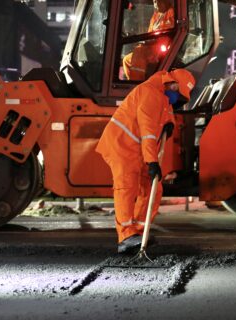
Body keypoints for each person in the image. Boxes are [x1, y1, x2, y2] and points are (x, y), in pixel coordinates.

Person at [96, 69, 195, 253]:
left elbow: (166, 112)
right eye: (178, 94)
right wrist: (152, 162)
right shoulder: (150, 93)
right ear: (173, 84)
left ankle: (139, 232)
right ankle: (125, 236)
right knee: (126, 187)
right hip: (121, 145)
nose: (177, 100)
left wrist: (169, 122)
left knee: (153, 188)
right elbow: (148, 132)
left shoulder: (162, 94)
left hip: (136, 149)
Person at [123, 0, 175, 81]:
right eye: (154, 2)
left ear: (163, 1)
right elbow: (150, 33)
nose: (155, 4)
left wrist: (148, 42)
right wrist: (142, 40)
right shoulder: (156, 16)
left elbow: (168, 35)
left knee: (139, 52)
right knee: (126, 60)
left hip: (161, 50)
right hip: (151, 47)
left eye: (156, 1)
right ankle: (132, 81)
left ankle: (138, 83)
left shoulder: (172, 14)